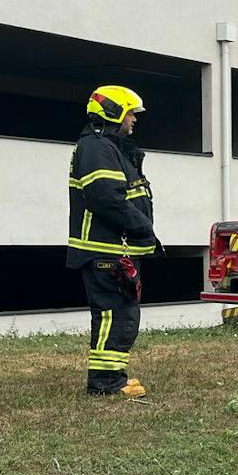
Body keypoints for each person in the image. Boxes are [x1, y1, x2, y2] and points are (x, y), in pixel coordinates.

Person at [69, 86, 158, 397]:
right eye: (131, 112)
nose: (134, 119)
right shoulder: (96, 148)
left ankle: (113, 376)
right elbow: (106, 199)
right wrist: (143, 227)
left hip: (113, 249)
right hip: (105, 251)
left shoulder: (107, 147)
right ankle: (106, 382)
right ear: (113, 112)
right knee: (113, 315)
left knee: (121, 314)